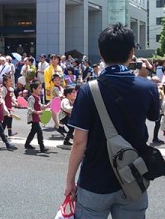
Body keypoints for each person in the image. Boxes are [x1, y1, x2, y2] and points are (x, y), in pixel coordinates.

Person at [64, 23, 160, 219]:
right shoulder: (147, 87)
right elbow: (153, 117)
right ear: (132, 52)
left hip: (94, 181)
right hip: (133, 177)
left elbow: (79, 142)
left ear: (100, 52)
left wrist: (69, 182)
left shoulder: (88, 90)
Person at [24, 80, 49, 152]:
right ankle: (42, 147)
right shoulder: (31, 98)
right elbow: (29, 109)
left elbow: (39, 106)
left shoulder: (37, 97)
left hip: (36, 117)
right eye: (39, 88)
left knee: (33, 131)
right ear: (34, 89)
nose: (40, 90)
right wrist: (38, 112)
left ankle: (27, 144)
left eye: (41, 88)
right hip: (34, 118)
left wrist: (46, 106)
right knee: (39, 132)